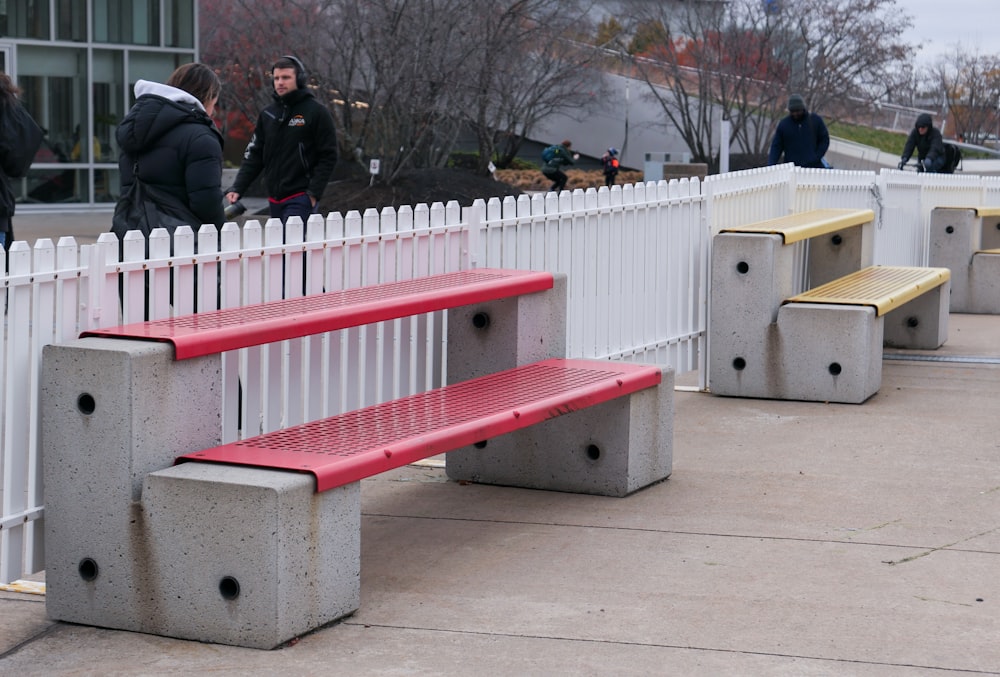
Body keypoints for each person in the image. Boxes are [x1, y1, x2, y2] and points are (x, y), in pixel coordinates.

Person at [113, 62, 225, 241]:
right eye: (214, 103)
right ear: (208, 97)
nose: (212, 111)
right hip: (182, 240)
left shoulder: (135, 129)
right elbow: (206, 199)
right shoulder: (200, 135)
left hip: (131, 234)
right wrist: (220, 232)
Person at [225, 56, 338, 225]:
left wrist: (313, 193)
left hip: (301, 197)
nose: (280, 82)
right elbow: (254, 154)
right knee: (281, 249)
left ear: (299, 79)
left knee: (292, 246)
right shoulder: (268, 114)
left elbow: (329, 155)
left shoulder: (317, 112)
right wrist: (238, 187)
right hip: (274, 198)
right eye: (276, 78)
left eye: (286, 77)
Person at [767, 94, 830, 169]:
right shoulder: (784, 125)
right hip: (791, 169)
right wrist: (771, 165)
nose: (795, 114)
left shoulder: (815, 120)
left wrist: (816, 157)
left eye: (797, 111)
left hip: (813, 168)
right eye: (792, 111)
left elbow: (824, 140)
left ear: (803, 108)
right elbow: (776, 147)